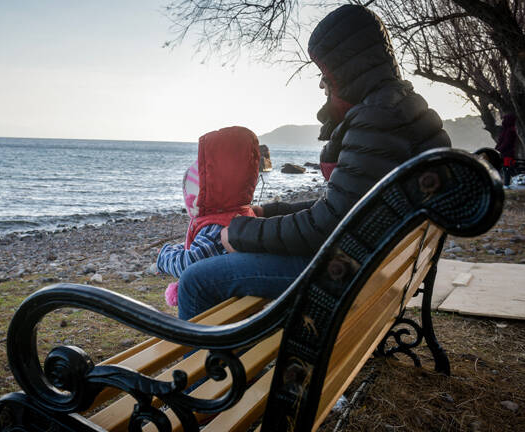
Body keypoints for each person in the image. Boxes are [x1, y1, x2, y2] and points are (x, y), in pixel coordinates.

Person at [177, 5, 451, 320]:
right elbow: (347, 206)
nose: (322, 84)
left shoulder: (377, 119)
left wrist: (239, 232)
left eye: (325, 73)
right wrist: (270, 212)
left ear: (346, 68)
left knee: (196, 280)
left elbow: (324, 227)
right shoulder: (404, 108)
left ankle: (202, 369)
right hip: (379, 262)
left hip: (347, 271)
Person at [156, 126, 259, 314]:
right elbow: (201, 250)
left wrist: (163, 257)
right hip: (236, 304)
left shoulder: (215, 227)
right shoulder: (239, 213)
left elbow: (188, 265)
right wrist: (179, 247)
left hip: (214, 313)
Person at [496, 113, 518, 186]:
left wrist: (498, 150)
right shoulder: (505, 130)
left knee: (508, 169)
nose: (503, 121)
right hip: (504, 153)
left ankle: (507, 184)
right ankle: (506, 184)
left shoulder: (510, 131)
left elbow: (506, 143)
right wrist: (496, 148)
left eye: (505, 119)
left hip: (508, 154)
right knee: (506, 169)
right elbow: (500, 141)